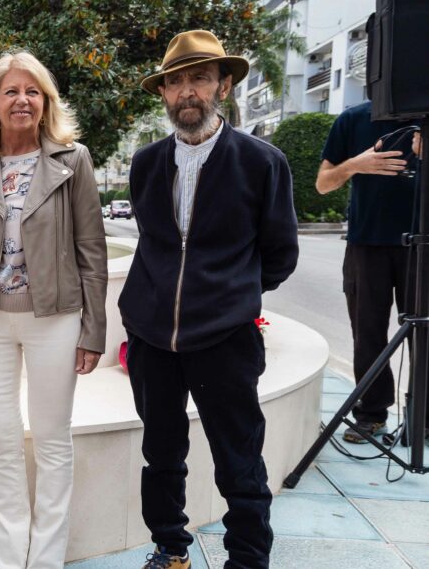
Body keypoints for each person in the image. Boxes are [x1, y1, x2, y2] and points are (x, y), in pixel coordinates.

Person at [121, 30, 299, 569]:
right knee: (162, 456)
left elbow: (280, 255)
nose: (187, 92)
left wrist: (229, 297)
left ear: (223, 84)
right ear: (164, 95)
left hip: (226, 338)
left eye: (199, 78)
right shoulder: (146, 163)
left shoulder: (261, 162)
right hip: (153, 337)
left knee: (239, 457)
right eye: (175, 83)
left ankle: (247, 559)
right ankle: (170, 549)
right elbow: (155, 243)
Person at [0, 50, 107, 569]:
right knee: (2, 441)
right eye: (11, 91)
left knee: (53, 440)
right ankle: (11, 558)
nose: (22, 100)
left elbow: (92, 249)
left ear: (45, 103)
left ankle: (47, 559)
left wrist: (93, 330)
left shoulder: (72, 159)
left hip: (55, 319)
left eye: (33, 91)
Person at [316, 101, 423, 443]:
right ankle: (372, 414)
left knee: (426, 337)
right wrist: (355, 164)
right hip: (367, 243)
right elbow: (323, 183)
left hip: (423, 245)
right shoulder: (353, 119)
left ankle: (424, 419)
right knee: (367, 335)